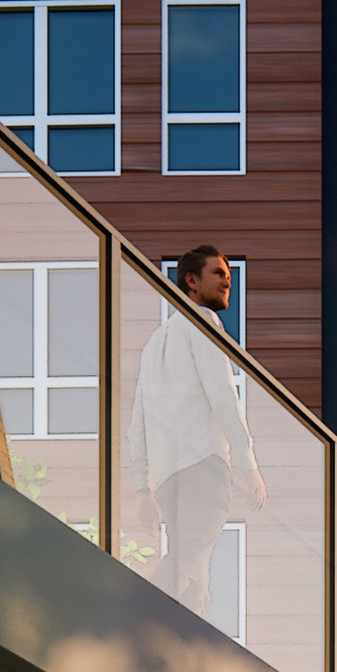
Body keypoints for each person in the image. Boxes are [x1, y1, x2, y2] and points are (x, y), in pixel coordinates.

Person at [122, 245, 262, 617]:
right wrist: (248, 464)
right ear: (191, 281)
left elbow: (137, 424)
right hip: (203, 467)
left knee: (195, 578)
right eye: (218, 273)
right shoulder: (203, 322)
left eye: (228, 274)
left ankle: (180, 640)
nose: (227, 280)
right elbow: (223, 394)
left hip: (167, 479)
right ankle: (128, 619)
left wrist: (142, 489)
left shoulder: (153, 344)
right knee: (187, 562)